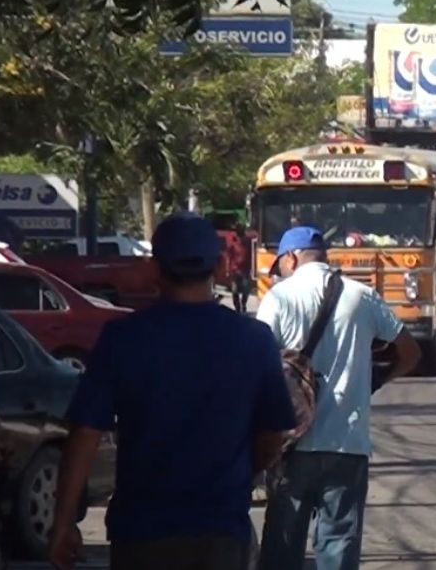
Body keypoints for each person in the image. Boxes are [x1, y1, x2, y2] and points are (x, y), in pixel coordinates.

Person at [48, 212, 297, 570]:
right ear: (219, 266)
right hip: (220, 530)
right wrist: (241, 472)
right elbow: (274, 432)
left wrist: (63, 522)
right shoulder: (253, 340)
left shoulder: (123, 339)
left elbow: (85, 433)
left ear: (155, 268)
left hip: (141, 533)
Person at [256, 225, 421, 570]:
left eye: (279, 265)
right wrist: (378, 378)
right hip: (348, 444)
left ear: (290, 257)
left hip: (292, 445)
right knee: (339, 548)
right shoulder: (362, 295)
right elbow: (409, 351)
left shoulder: (279, 298)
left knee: (282, 547)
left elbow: (258, 367)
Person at [229, 224, 253, 314]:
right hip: (235, 270)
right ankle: (238, 308)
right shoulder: (234, 242)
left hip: (245, 270)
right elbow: (229, 256)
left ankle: (243, 305)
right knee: (235, 290)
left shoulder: (248, 241)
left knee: (245, 290)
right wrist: (228, 270)